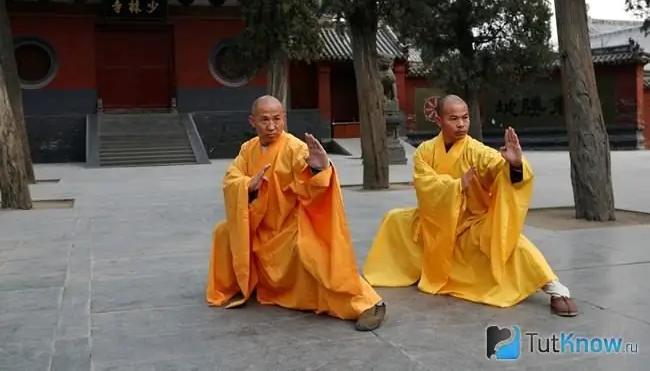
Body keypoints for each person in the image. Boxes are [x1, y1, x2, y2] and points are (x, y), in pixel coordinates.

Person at [362, 95, 578, 317]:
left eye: (465, 118)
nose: (461, 124)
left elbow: (496, 166)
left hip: (470, 222)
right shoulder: (424, 152)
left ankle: (554, 288)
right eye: (453, 118)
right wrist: (456, 187)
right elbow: (424, 185)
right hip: (435, 221)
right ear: (438, 120)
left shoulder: (476, 150)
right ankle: (408, 269)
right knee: (395, 220)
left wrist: (514, 164)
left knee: (510, 241)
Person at [206, 95, 386, 330]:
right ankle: (235, 285)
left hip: (290, 225)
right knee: (223, 232)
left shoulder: (295, 148)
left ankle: (364, 304)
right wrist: (246, 185)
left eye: (276, 119)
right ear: (252, 121)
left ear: (284, 119)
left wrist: (319, 168)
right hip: (259, 227)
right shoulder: (247, 149)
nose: (271, 126)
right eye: (264, 120)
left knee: (312, 253)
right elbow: (232, 178)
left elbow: (312, 184)